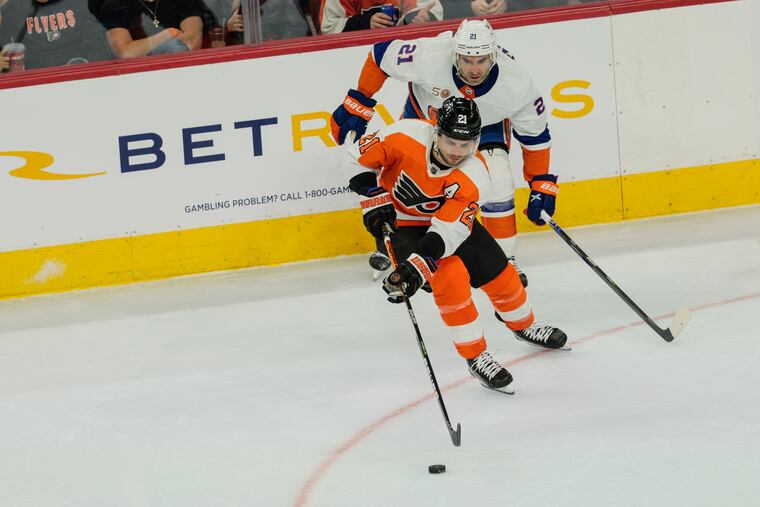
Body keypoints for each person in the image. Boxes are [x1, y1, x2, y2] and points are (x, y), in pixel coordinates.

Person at [343, 96, 567, 393]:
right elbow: (355, 158)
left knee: (500, 272)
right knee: (450, 276)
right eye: (450, 142)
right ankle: (476, 356)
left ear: (476, 141)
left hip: (447, 227)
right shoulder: (403, 135)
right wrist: (371, 194)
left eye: (466, 145)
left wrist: (418, 266)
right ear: (436, 132)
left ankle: (524, 325)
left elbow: (448, 231)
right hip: (398, 225)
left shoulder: (476, 175)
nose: (456, 152)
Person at [331, 19, 556, 287]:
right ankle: (392, 246)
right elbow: (381, 56)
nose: (474, 69)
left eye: (482, 60)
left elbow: (535, 135)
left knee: (499, 182)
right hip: (425, 127)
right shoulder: (430, 55)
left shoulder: (516, 83)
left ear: (494, 56)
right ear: (454, 53)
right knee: (403, 181)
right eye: (467, 60)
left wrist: (539, 180)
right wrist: (360, 99)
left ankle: (504, 260)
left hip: (483, 130)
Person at [0, 0, 113, 70]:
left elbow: (98, 48)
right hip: (36, 83)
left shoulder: (86, 3)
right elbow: (7, 54)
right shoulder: (11, 9)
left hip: (81, 75)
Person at [88, 0, 203, 58]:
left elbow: (193, 38)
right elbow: (125, 52)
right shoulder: (115, 5)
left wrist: (142, 49)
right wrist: (168, 34)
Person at [319, 0, 443, 35]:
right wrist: (366, 23)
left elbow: (427, 8)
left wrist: (418, 20)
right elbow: (329, 29)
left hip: (402, 51)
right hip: (353, 56)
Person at [439, 0, 505, 20]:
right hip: (459, 33)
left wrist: (506, 3)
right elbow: (439, 10)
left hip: (503, 26)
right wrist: (469, 8)